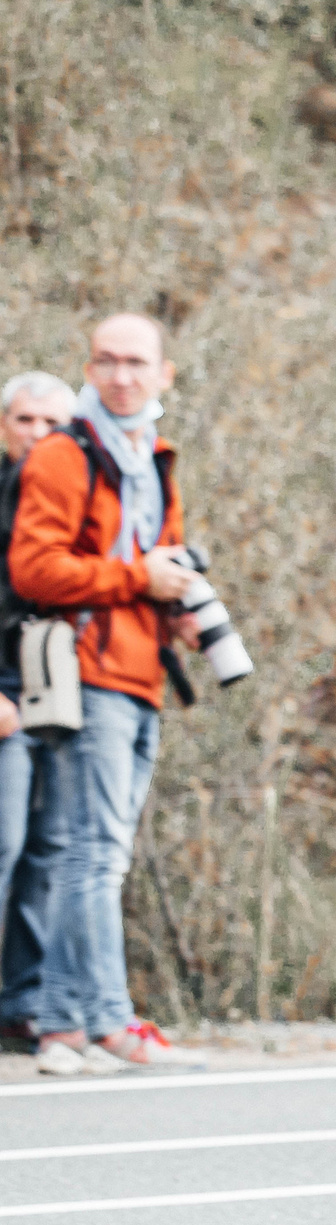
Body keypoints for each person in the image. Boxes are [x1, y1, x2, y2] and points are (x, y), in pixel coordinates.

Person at [12, 319, 210, 1075]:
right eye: (107, 361)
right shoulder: (65, 455)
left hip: (140, 671)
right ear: (89, 367)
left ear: (165, 373)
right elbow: (36, 568)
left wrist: (180, 610)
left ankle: (62, 1023)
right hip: (87, 671)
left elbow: (165, 558)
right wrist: (138, 580)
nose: (121, 376)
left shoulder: (151, 456)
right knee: (96, 855)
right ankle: (111, 1020)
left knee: (87, 852)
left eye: (136, 363)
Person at [0, 371, 71, 1055]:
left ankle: (23, 1004)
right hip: (2, 693)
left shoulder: (72, 499)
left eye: (53, 425)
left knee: (49, 851)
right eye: (26, 420)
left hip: (61, 695)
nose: (38, 435)